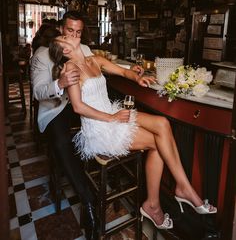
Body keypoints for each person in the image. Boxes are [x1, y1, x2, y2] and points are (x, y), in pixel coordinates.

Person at [48, 34, 217, 231]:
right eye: (63, 37)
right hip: (100, 127)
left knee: (162, 123)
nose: (70, 34)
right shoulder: (70, 69)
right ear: (65, 51)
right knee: (157, 143)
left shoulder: (94, 59)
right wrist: (111, 118)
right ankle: (161, 201)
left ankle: (178, 190)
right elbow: (78, 107)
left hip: (112, 113)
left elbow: (123, 72)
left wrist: (138, 77)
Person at [30, 11, 99, 240]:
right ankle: (87, 199)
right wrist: (59, 83)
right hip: (56, 107)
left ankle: (102, 175)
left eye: (78, 32)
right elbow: (38, 92)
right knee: (62, 141)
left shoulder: (85, 50)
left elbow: (99, 68)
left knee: (97, 127)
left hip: (81, 105)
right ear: (61, 28)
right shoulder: (42, 55)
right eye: (70, 31)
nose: (74, 36)